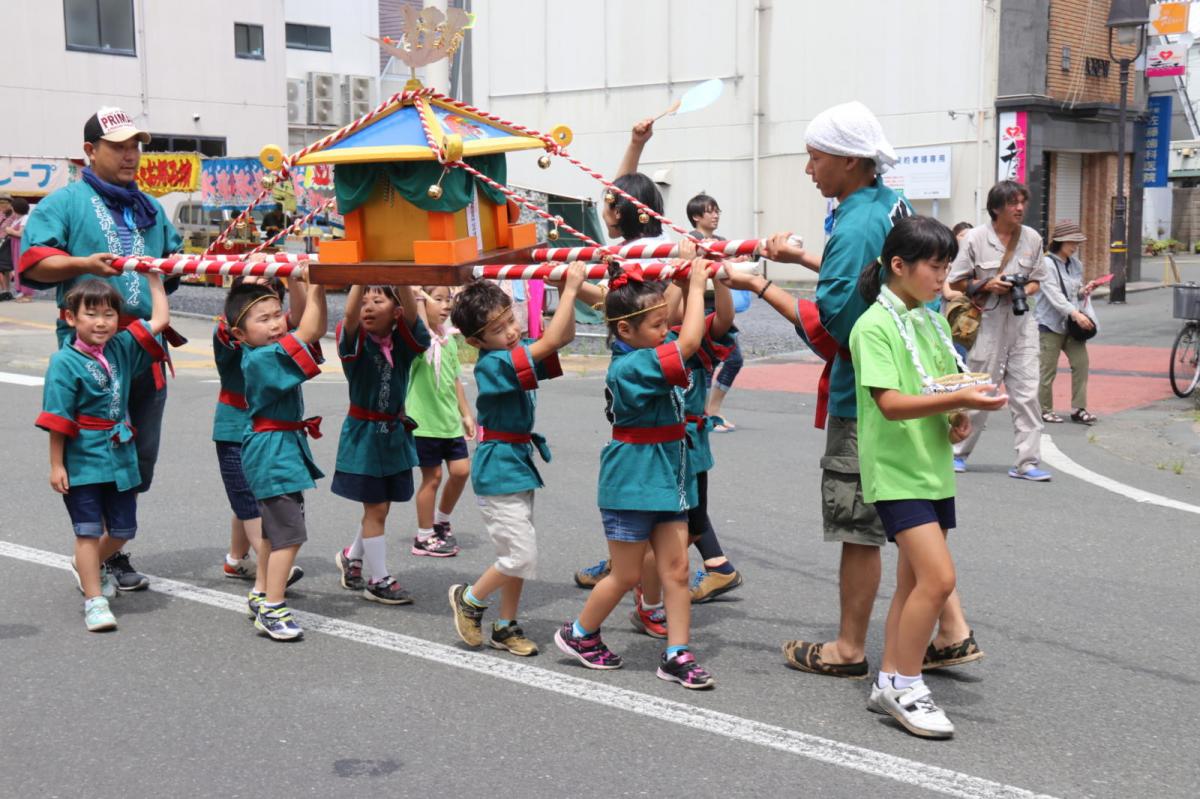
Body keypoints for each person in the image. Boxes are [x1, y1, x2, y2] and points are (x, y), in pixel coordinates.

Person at [725, 100, 980, 679]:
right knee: (916, 514)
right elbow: (873, 279)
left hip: (872, 394)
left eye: (814, 157)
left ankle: (850, 648)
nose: (808, 169)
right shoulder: (888, 204)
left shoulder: (857, 219)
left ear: (846, 159)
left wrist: (760, 286)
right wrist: (804, 258)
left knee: (861, 525)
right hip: (917, 377)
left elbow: (836, 323)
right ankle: (951, 628)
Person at [852, 216, 1007, 739]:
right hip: (897, 470)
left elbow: (938, 382)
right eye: (935, 267)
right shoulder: (873, 326)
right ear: (898, 266)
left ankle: (889, 679)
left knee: (914, 582)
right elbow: (891, 403)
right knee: (939, 580)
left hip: (931, 466)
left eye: (946, 267)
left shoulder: (928, 320)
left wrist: (956, 412)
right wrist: (958, 398)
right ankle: (906, 684)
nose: (943, 278)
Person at [19, 107, 184, 591]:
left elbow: (170, 265)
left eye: (136, 146)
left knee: (140, 454)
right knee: (92, 454)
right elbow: (32, 262)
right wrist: (82, 264)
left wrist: (190, 264)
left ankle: (110, 547)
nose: (131, 155)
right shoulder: (66, 202)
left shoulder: (149, 207)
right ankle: (97, 553)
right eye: (119, 147)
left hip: (144, 345)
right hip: (88, 353)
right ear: (90, 151)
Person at [555, 257, 719, 690]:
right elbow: (688, 343)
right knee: (626, 574)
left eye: (666, 324)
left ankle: (678, 654)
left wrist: (682, 280)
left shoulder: (648, 350)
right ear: (625, 330)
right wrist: (696, 285)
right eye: (657, 325)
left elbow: (680, 331)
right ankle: (579, 633)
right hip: (631, 478)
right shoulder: (631, 366)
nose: (666, 330)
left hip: (667, 474)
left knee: (677, 570)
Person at [447, 263, 586, 656]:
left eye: (511, 320)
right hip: (498, 467)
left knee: (516, 555)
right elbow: (551, 339)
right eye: (498, 329)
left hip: (517, 462)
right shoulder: (494, 363)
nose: (510, 331)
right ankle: (469, 600)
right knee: (520, 554)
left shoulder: (512, 351)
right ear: (476, 341)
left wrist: (569, 289)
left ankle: (505, 626)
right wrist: (571, 289)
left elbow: (563, 337)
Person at [36, 275, 169, 631]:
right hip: (82, 457)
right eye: (91, 314)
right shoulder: (63, 362)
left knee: (124, 529)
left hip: (120, 452)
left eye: (109, 314)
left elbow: (159, 321)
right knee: (88, 530)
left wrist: (154, 278)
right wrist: (56, 465)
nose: (101, 322)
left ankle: (87, 565)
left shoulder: (121, 346)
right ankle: (94, 601)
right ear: (71, 318)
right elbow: (58, 419)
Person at [227, 272, 327, 640]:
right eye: (263, 319)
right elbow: (311, 330)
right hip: (272, 450)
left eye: (276, 315)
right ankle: (273, 607)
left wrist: (303, 285)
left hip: (278, 445)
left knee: (273, 532)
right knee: (289, 534)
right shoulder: (261, 358)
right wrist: (318, 283)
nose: (275, 325)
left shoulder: (267, 351)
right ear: (240, 334)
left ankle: (260, 592)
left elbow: (312, 327)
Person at [331, 284, 430, 604]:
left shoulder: (403, 345)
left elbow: (413, 318)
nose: (368, 307)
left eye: (378, 300)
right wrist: (358, 278)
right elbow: (349, 317)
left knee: (381, 507)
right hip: (364, 438)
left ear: (396, 312)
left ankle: (352, 556)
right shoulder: (356, 343)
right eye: (364, 301)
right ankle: (378, 579)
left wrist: (402, 279)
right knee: (375, 508)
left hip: (393, 436)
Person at [947, 181, 1051, 481]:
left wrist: (1022, 289)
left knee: (1028, 393)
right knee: (980, 389)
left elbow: (1037, 280)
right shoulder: (975, 238)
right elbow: (956, 281)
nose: (1019, 208)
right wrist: (988, 284)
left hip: (1022, 323)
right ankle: (957, 453)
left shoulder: (1032, 238)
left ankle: (1027, 462)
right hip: (986, 322)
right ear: (996, 208)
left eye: (1022, 202)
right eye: (1012, 203)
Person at [213, 278, 306, 596]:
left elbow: (300, 318)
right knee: (253, 505)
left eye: (275, 309)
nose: (273, 321)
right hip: (236, 430)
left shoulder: (274, 333)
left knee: (251, 501)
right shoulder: (236, 335)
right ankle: (266, 585)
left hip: (269, 433)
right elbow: (234, 319)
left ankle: (236, 559)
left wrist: (297, 281)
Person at [407, 285, 474, 557]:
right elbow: (422, 330)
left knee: (461, 471)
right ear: (423, 302)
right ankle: (423, 537)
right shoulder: (419, 341)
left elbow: (455, 379)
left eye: (449, 300)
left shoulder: (449, 340)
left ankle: (441, 520)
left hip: (449, 422)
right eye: (438, 299)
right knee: (432, 478)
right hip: (424, 423)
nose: (446, 305)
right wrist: (417, 300)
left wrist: (466, 413)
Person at [686, 192, 748, 435]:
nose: (715, 215)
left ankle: (712, 409)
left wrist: (737, 261)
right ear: (696, 216)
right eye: (710, 211)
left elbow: (726, 267)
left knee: (734, 359)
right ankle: (703, 413)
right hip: (700, 307)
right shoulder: (691, 240)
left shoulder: (721, 241)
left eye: (717, 210)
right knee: (706, 363)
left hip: (719, 306)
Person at [1037, 221, 1099, 425]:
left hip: (1071, 325)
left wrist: (1084, 291)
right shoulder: (1046, 264)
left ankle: (1079, 409)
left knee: (1081, 363)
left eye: (1077, 242)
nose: (1075, 246)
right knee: (1047, 369)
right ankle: (1044, 409)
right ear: (1059, 241)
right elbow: (1054, 295)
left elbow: (1072, 293)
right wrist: (1075, 314)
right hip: (1049, 323)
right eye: (1071, 242)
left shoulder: (1075, 264)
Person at [4, 198, 33, 302]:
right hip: (15, 244)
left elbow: (21, 233)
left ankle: (28, 294)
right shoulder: (17, 219)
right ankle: (21, 292)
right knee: (17, 268)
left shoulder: (25, 218)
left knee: (23, 267)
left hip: (22, 245)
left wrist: (10, 231)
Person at [0, 194, 15, 300]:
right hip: (1, 242)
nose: (2, 205)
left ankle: (6, 291)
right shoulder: (1, 214)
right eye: (1, 203)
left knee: (5, 267)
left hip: (8, 242)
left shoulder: (14, 215)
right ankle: (5, 291)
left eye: (5, 203)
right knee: (4, 268)